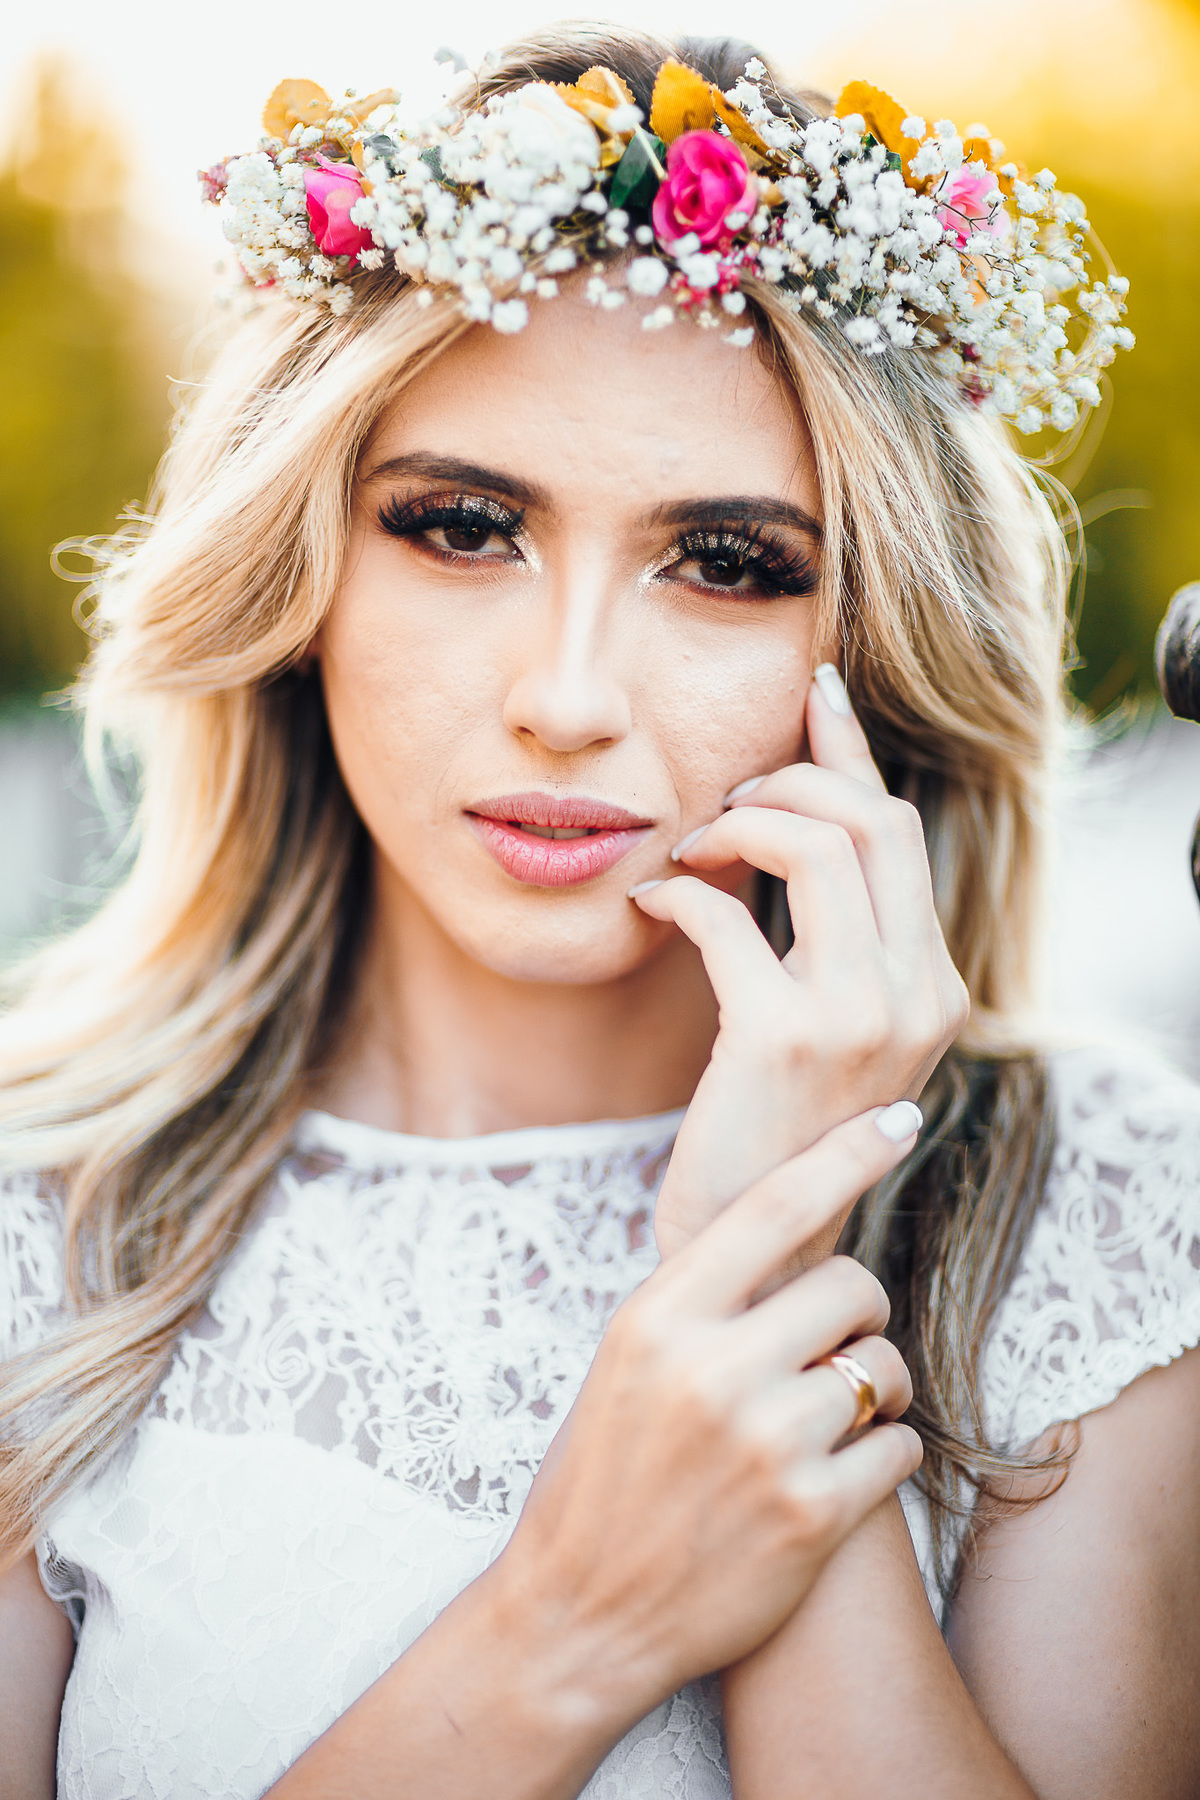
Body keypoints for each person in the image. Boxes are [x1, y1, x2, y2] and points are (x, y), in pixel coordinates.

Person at [1, 26, 1197, 1800]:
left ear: (873, 644)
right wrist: (573, 1615)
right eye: (461, 527)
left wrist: (769, 1257)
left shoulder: (1100, 1201)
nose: (566, 700)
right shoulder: (40, 1215)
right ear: (304, 576)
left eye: (724, 563)